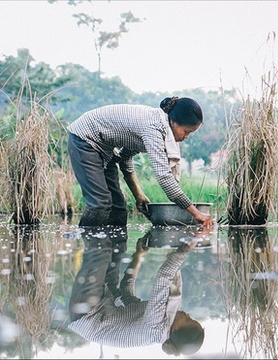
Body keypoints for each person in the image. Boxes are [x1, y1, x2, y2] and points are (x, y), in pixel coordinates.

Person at [67, 97, 215, 227]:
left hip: (105, 147)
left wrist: (138, 194)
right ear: (173, 122)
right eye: (186, 131)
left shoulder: (159, 128)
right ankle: (88, 245)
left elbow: (125, 158)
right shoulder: (154, 128)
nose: (186, 137)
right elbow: (164, 178)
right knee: (100, 204)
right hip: (85, 139)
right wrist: (196, 214)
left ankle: (113, 255)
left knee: (118, 206)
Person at [68, 226, 208, 356]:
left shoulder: (156, 327)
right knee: (118, 243)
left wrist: (192, 242)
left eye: (188, 319)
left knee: (100, 250)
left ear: (176, 329)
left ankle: (96, 209)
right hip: (105, 301)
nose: (188, 314)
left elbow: (164, 277)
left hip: (87, 314)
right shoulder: (159, 324)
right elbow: (126, 295)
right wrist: (138, 255)